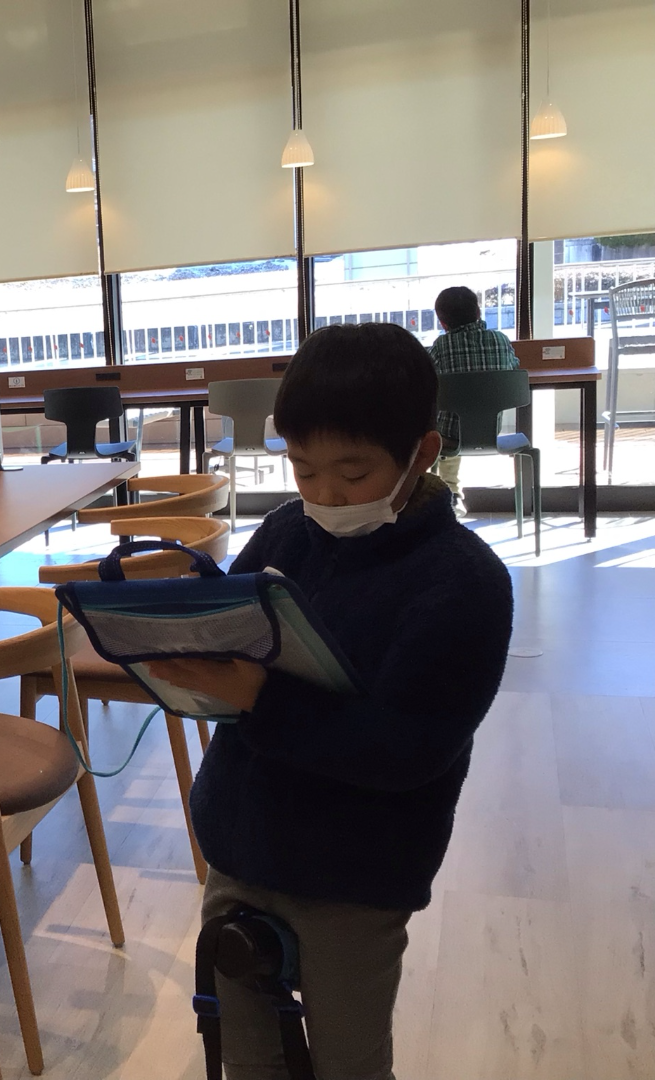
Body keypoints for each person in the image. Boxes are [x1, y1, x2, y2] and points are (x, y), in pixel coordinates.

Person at [152, 323, 513, 1079]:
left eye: (352, 472)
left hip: (355, 871)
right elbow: (234, 627)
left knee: (350, 1059)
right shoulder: (289, 530)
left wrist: (262, 699)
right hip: (242, 842)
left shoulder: (463, 583)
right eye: (303, 468)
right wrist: (185, 633)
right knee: (242, 1050)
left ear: (421, 452)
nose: (324, 494)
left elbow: (408, 752)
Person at [428, 285, 519, 507]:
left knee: (438, 424)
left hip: (448, 435)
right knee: (456, 420)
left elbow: (426, 378)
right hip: (490, 430)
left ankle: (448, 491)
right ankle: (451, 490)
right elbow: (514, 370)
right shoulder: (500, 340)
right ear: (478, 312)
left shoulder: (441, 346)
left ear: (442, 322)